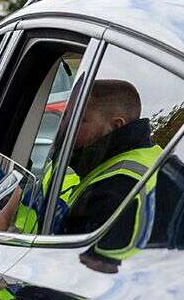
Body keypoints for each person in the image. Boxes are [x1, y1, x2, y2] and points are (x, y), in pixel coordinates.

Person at [60, 79, 161, 268]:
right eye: (65, 117)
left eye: (78, 120)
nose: (65, 128)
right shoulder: (147, 155)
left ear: (116, 126)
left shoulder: (117, 187)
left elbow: (79, 270)